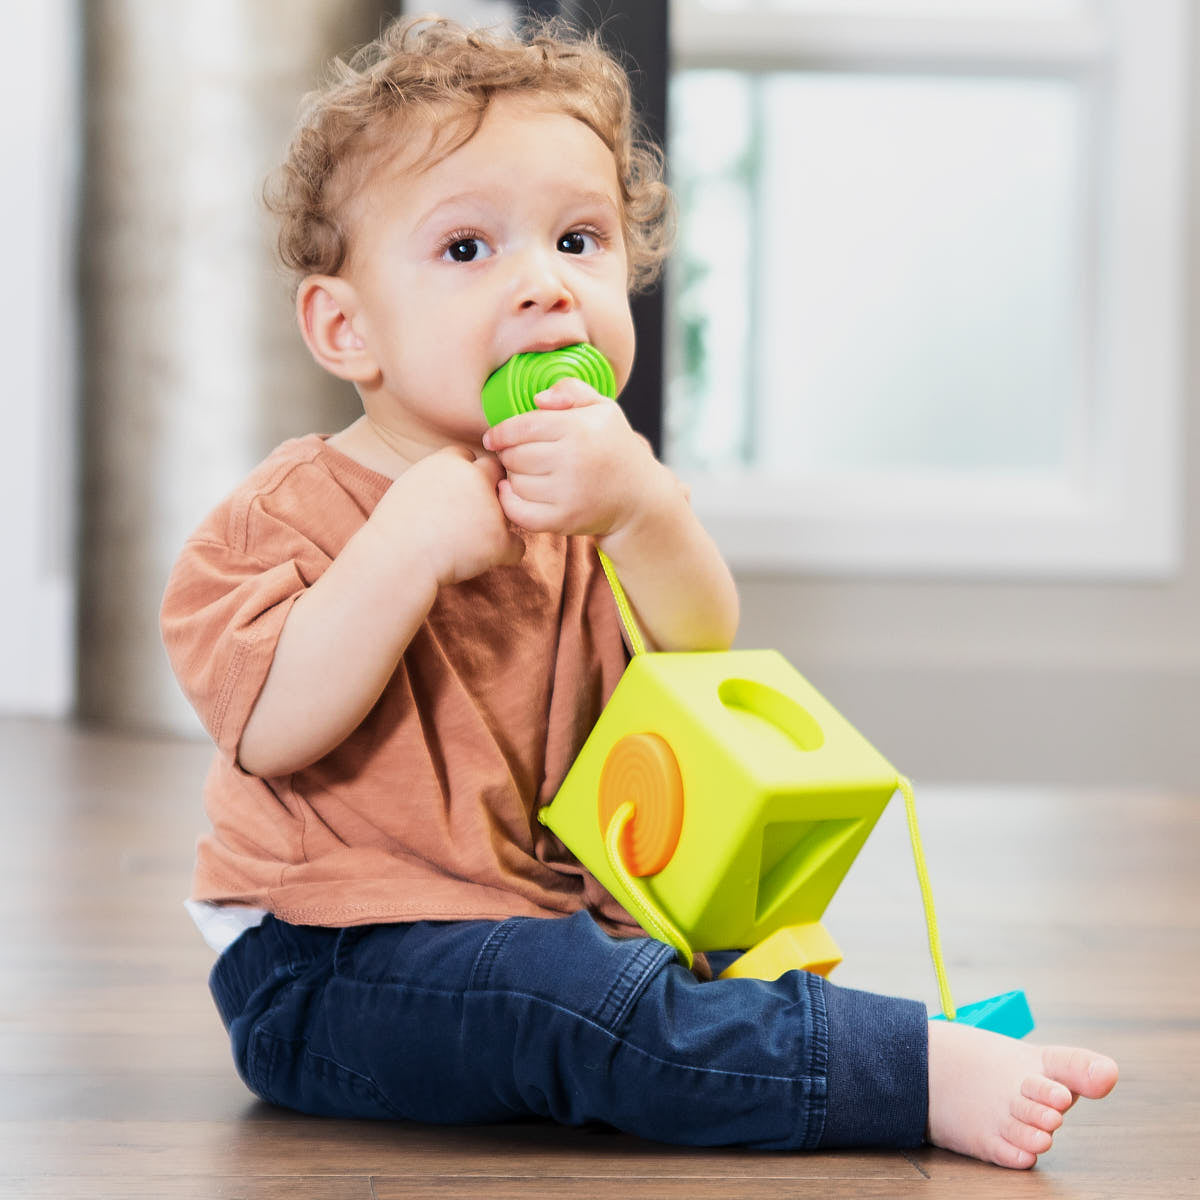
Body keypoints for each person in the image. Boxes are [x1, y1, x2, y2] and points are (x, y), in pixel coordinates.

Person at [160, 14, 1116, 1168]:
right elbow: (266, 727)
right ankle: (900, 1070)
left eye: (580, 240)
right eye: (468, 250)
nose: (544, 288)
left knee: (664, 964)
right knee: (565, 995)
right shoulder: (286, 518)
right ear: (345, 324)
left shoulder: (592, 498)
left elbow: (702, 641)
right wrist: (402, 549)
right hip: (330, 966)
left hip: (553, 929)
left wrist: (646, 508)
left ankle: (839, 1036)